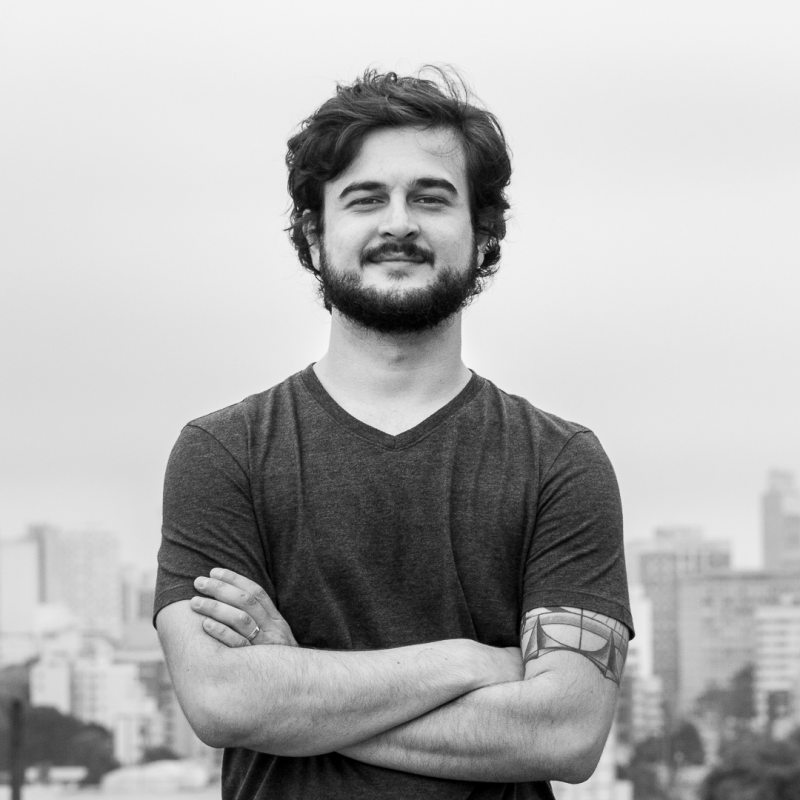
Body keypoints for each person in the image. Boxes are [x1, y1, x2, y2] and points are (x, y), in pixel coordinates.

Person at [154, 68, 634, 800]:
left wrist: (296, 688)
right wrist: (474, 661)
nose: (399, 223)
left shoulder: (560, 462)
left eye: (431, 197)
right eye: (365, 198)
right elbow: (224, 701)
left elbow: (564, 733)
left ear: (483, 233)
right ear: (314, 234)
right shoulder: (224, 453)